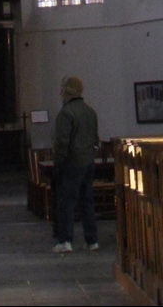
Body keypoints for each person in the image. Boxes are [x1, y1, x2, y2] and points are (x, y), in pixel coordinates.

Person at [51, 75, 100, 253]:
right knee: (87, 202)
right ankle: (92, 240)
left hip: (71, 164)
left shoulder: (66, 113)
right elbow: (96, 140)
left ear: (68, 91)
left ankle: (65, 240)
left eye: (62, 89)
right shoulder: (90, 112)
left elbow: (62, 143)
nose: (60, 93)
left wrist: (58, 164)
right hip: (88, 163)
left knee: (66, 203)